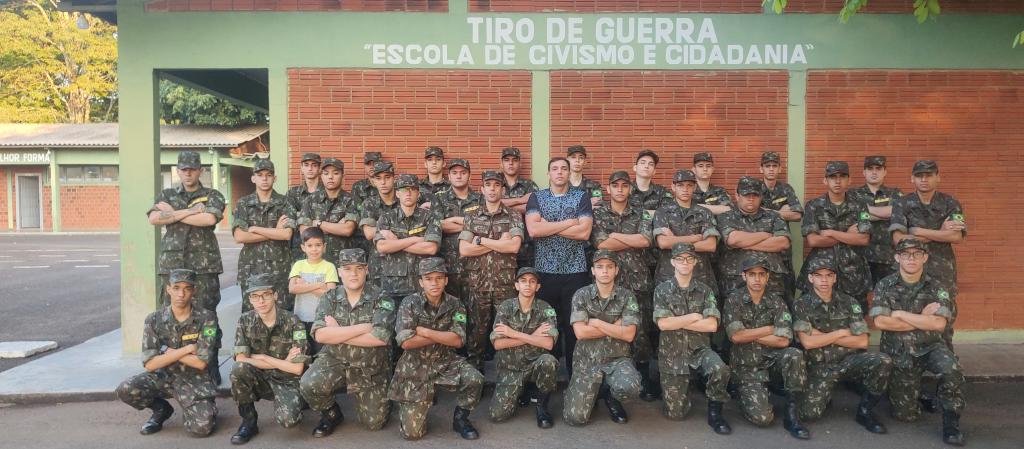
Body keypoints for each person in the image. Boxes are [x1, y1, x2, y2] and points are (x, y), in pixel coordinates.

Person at [870, 238, 965, 446]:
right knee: (905, 416)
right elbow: (881, 322)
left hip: (931, 346)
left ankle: (951, 424)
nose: (911, 259)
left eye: (916, 254)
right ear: (897, 258)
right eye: (906, 254)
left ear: (925, 257)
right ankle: (919, 396)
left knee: (952, 370)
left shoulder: (937, 286)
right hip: (899, 352)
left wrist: (901, 313)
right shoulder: (885, 285)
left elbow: (939, 324)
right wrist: (922, 318)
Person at [147, 150, 225, 384]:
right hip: (172, 266)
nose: (188, 173)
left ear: (200, 170)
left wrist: (171, 214)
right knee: (169, 316)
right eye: (183, 169)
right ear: (178, 171)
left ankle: (210, 363)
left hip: (204, 268)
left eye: (192, 169)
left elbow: (209, 219)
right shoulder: (167, 193)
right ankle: (172, 365)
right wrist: (190, 212)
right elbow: (154, 219)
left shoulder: (213, 194)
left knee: (207, 316)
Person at [299, 248, 395, 437]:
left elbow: (379, 338)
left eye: (359, 268)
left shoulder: (382, 298)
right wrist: (364, 327)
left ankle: (379, 396)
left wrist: (336, 331)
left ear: (367, 270)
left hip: (370, 366)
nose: (354, 273)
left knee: (374, 423)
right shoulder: (330, 297)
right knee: (308, 384)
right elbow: (320, 336)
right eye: (348, 269)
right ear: (340, 272)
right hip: (335, 360)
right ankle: (331, 413)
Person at [389, 257, 484, 440]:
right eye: (429, 278)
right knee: (412, 434)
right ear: (421, 282)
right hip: (415, 365)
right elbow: (405, 342)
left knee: (475, 379)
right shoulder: (409, 303)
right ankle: (417, 402)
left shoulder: (456, 304)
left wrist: (425, 332)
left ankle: (461, 418)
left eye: (439, 278)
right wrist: (442, 335)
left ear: (446, 280)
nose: (434, 283)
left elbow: (457, 340)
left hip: (445, 360)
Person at [793, 258, 891, 434]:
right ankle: (826, 395)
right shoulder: (801, 304)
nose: (824, 280)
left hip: (848, 361)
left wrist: (820, 335)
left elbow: (862, 341)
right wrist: (841, 333)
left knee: (882, 360)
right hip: (819, 367)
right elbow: (808, 343)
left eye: (829, 275)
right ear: (810, 278)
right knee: (809, 414)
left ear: (835, 278)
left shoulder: (850, 303)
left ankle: (865, 411)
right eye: (818, 275)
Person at [115, 269, 217, 437]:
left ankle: (199, 407)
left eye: (187, 288)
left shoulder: (207, 318)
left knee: (201, 428)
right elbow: (150, 364)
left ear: (194, 290)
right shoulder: (154, 319)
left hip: (194, 379)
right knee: (126, 389)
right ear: (168, 289)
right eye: (176, 288)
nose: (181, 294)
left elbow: (201, 362)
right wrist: (187, 349)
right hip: (162, 376)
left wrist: (166, 351)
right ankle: (161, 409)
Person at [724, 257, 810, 440]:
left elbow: (784, 340)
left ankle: (791, 414)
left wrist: (750, 333)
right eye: (752, 274)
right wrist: (769, 329)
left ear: (767, 276)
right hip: (747, 366)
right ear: (743, 276)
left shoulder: (777, 301)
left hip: (773, 359)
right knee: (763, 418)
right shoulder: (734, 300)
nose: (757, 279)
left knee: (794, 354)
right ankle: (746, 392)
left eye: (761, 274)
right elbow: (736, 336)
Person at [653, 243, 731, 434]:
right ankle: (685, 386)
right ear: (672, 262)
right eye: (680, 259)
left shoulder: (706, 291)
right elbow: (663, 324)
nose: (685, 263)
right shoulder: (662, 290)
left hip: (699, 350)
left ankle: (715, 412)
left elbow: (712, 325)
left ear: (695, 262)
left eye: (689, 258)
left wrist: (677, 321)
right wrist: (694, 317)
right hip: (672, 354)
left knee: (719, 368)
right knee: (676, 414)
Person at [591, 170, 657, 400]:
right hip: (608, 282)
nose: (620, 189)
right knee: (608, 328)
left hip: (638, 281)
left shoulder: (642, 214)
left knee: (640, 331)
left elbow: (645, 240)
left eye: (624, 185)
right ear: (608, 189)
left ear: (630, 188)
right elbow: (601, 244)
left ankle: (643, 378)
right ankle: (608, 381)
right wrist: (630, 239)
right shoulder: (598, 213)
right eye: (615, 185)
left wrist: (614, 236)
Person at [526, 157, 593, 373]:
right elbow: (534, 231)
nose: (560, 172)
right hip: (545, 272)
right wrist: (569, 223)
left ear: (569, 171)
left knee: (573, 326)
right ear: (548, 174)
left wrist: (548, 226)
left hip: (575, 271)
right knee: (548, 326)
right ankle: (549, 376)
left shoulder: (581, 197)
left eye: (564, 168)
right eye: (554, 169)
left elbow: (584, 232)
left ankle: (575, 375)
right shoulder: (537, 197)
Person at [890, 159, 965, 345]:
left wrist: (916, 231)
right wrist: (940, 232)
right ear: (912, 179)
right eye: (919, 176)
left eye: (929, 175)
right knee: (910, 308)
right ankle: (913, 353)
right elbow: (899, 239)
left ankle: (944, 352)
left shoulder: (950, 203)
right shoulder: (902, 203)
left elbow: (956, 237)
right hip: (911, 267)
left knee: (944, 309)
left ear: (938, 178)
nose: (924, 179)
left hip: (942, 269)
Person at [562, 250, 641, 426]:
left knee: (630, 387)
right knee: (575, 418)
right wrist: (616, 326)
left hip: (617, 359)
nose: (604, 271)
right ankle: (588, 391)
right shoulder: (581, 295)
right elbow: (580, 333)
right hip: (587, 361)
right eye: (600, 267)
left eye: (609, 267)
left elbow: (629, 335)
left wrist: (596, 322)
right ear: (593, 270)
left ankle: (611, 395)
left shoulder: (627, 297)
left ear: (616, 270)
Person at [229, 273, 310, 445]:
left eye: (266, 294)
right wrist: (283, 362)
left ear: (275, 295)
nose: (261, 301)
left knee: (289, 421)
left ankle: (299, 400)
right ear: (250, 299)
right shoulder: (245, 321)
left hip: (287, 380)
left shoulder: (293, 322)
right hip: (260, 378)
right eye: (255, 296)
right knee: (239, 370)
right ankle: (248, 422)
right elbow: (241, 359)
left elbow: (296, 369)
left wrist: (263, 357)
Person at [458, 170, 523, 371]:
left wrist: (480, 240)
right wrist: (497, 242)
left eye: (497, 185)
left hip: (505, 285)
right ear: (482, 189)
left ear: (503, 189)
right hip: (478, 285)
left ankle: (508, 375)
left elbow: (513, 247)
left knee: (506, 331)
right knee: (476, 335)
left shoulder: (513, 216)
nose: (492, 189)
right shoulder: (471, 217)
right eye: (489, 185)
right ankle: (474, 379)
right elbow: (464, 249)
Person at [488, 267, 559, 428]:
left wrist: (512, 333)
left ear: (538, 287)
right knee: (497, 415)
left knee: (549, 361)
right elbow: (498, 344)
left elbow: (548, 343)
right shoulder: (505, 307)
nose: (527, 285)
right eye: (523, 281)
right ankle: (522, 391)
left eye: (532, 281)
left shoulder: (545, 308)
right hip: (510, 368)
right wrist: (534, 336)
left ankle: (542, 406)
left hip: (535, 365)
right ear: (516, 285)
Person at [799, 161, 871, 311]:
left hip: (853, 274)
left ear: (849, 180)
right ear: (825, 180)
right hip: (821, 272)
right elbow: (813, 240)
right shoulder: (814, 206)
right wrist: (848, 235)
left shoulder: (860, 206)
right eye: (833, 177)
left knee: (854, 317)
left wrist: (831, 232)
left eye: (842, 176)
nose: (837, 181)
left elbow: (863, 239)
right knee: (816, 315)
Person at [232, 158, 297, 312]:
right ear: (253, 178)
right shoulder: (243, 203)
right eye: (260, 175)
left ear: (274, 178)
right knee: (251, 314)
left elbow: (287, 234)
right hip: (251, 269)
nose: (264, 178)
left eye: (268, 175)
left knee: (282, 313)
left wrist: (255, 228)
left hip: (279, 270)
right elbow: (240, 237)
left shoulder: (286, 202)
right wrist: (274, 231)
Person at [717, 176, 791, 300]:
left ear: (761, 197)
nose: (751, 199)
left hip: (771, 281)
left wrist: (743, 242)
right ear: (737, 196)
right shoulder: (726, 217)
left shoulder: (774, 216)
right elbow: (733, 239)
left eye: (755, 195)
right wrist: (765, 235)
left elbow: (783, 242)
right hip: (735, 280)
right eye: (746, 195)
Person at [375, 174, 442, 305]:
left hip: (422, 286)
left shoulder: (430, 217)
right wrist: (416, 239)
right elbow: (382, 246)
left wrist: (395, 241)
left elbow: (431, 248)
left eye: (412, 189)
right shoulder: (387, 217)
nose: (408, 193)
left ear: (418, 193)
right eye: (404, 189)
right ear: (398, 193)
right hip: (393, 286)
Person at [653, 169, 720, 295]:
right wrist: (695, 238)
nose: (685, 189)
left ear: (695, 187)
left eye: (689, 185)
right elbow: (663, 243)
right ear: (673, 187)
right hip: (669, 276)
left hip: (700, 276)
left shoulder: (704, 213)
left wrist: (675, 241)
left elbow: (710, 245)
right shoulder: (662, 212)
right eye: (680, 185)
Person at [435, 158, 483, 302]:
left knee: (476, 314)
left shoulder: (480, 199)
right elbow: (438, 225)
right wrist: (472, 225)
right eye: (454, 173)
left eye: (463, 172)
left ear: (469, 175)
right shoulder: (439, 198)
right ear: (448, 176)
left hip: (475, 266)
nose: (458, 176)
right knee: (451, 310)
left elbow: (486, 225)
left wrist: (452, 221)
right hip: (448, 266)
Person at [850, 156, 903, 285]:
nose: (874, 172)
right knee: (859, 297)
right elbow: (852, 215)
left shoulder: (895, 193)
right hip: (860, 256)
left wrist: (864, 210)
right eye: (870, 169)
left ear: (885, 171)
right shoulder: (852, 194)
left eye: (878, 169)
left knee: (888, 296)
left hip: (888, 256)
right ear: (864, 172)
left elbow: (897, 212)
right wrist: (884, 214)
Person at [296, 157, 358, 265]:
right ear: (321, 176)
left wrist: (317, 223)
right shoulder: (310, 200)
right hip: (315, 263)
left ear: (342, 175)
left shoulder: (351, 200)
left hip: (342, 264)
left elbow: (347, 230)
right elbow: (304, 232)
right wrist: (336, 227)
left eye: (335, 173)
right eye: (326, 173)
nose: (330, 177)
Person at [758, 151, 803, 299]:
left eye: (774, 166)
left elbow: (797, 215)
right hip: (760, 249)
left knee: (786, 291)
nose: (771, 169)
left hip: (783, 253)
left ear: (780, 169)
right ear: (761, 169)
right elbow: (750, 212)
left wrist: (766, 211)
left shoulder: (786, 189)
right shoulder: (754, 189)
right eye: (767, 166)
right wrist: (781, 211)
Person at [288, 227, 339, 348]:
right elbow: (292, 289)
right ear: (303, 247)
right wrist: (319, 285)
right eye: (309, 245)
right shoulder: (298, 265)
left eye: (318, 245)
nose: (314, 249)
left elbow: (330, 294)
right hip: (299, 319)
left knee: (319, 352)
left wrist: (303, 285)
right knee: (302, 351)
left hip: (321, 321)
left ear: (324, 246)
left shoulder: (329, 267)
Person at [357, 161, 399, 286]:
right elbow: (369, 233)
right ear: (374, 181)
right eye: (378, 178)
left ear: (394, 179)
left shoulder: (404, 200)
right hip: (378, 264)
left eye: (387, 177)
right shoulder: (369, 204)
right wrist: (389, 231)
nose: (383, 182)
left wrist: (382, 230)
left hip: (405, 262)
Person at [498, 146, 539, 268]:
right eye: (506, 160)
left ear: (519, 164)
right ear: (501, 164)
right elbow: (489, 205)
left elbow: (532, 208)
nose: (510, 163)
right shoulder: (495, 184)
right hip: (500, 244)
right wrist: (520, 200)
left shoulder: (530, 185)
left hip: (526, 246)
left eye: (514, 160)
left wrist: (502, 204)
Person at [286, 152, 323, 259]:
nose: (310, 168)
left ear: (319, 169)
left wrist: (301, 218)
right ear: (301, 168)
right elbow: (290, 221)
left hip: (322, 247)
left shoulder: (327, 192)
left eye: (314, 165)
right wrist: (320, 221)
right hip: (299, 248)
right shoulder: (293, 193)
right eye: (306, 165)